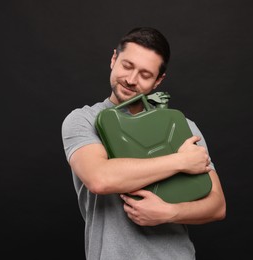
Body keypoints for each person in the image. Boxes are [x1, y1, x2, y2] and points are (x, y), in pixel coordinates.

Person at [61, 27, 226, 260]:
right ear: (113, 59)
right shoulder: (83, 120)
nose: (131, 80)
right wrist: (180, 161)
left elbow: (217, 206)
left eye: (145, 74)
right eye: (127, 66)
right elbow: (100, 179)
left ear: (159, 80)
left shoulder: (182, 126)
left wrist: (169, 213)